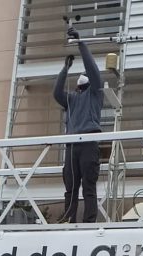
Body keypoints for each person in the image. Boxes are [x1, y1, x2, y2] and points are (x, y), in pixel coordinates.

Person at [53, 26, 103, 223]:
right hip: (73, 146)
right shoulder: (72, 99)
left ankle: (88, 221)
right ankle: (69, 219)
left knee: (87, 186)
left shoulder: (95, 94)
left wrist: (81, 44)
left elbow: (92, 69)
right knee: (72, 187)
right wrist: (64, 70)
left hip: (88, 143)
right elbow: (57, 93)